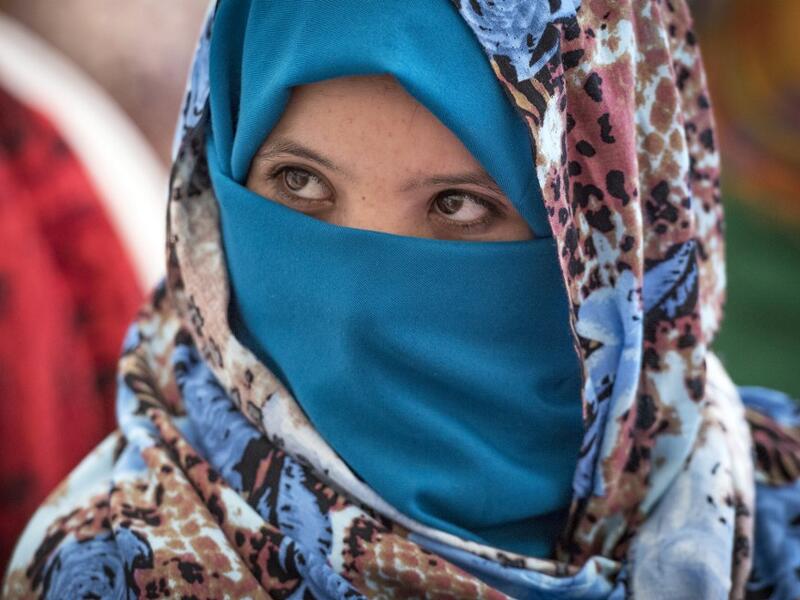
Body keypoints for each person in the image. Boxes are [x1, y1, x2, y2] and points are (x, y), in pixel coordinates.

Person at [3, 1, 799, 598]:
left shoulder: (776, 520)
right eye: (299, 184)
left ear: (616, 255)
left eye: (459, 206)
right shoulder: (118, 568)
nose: (356, 308)